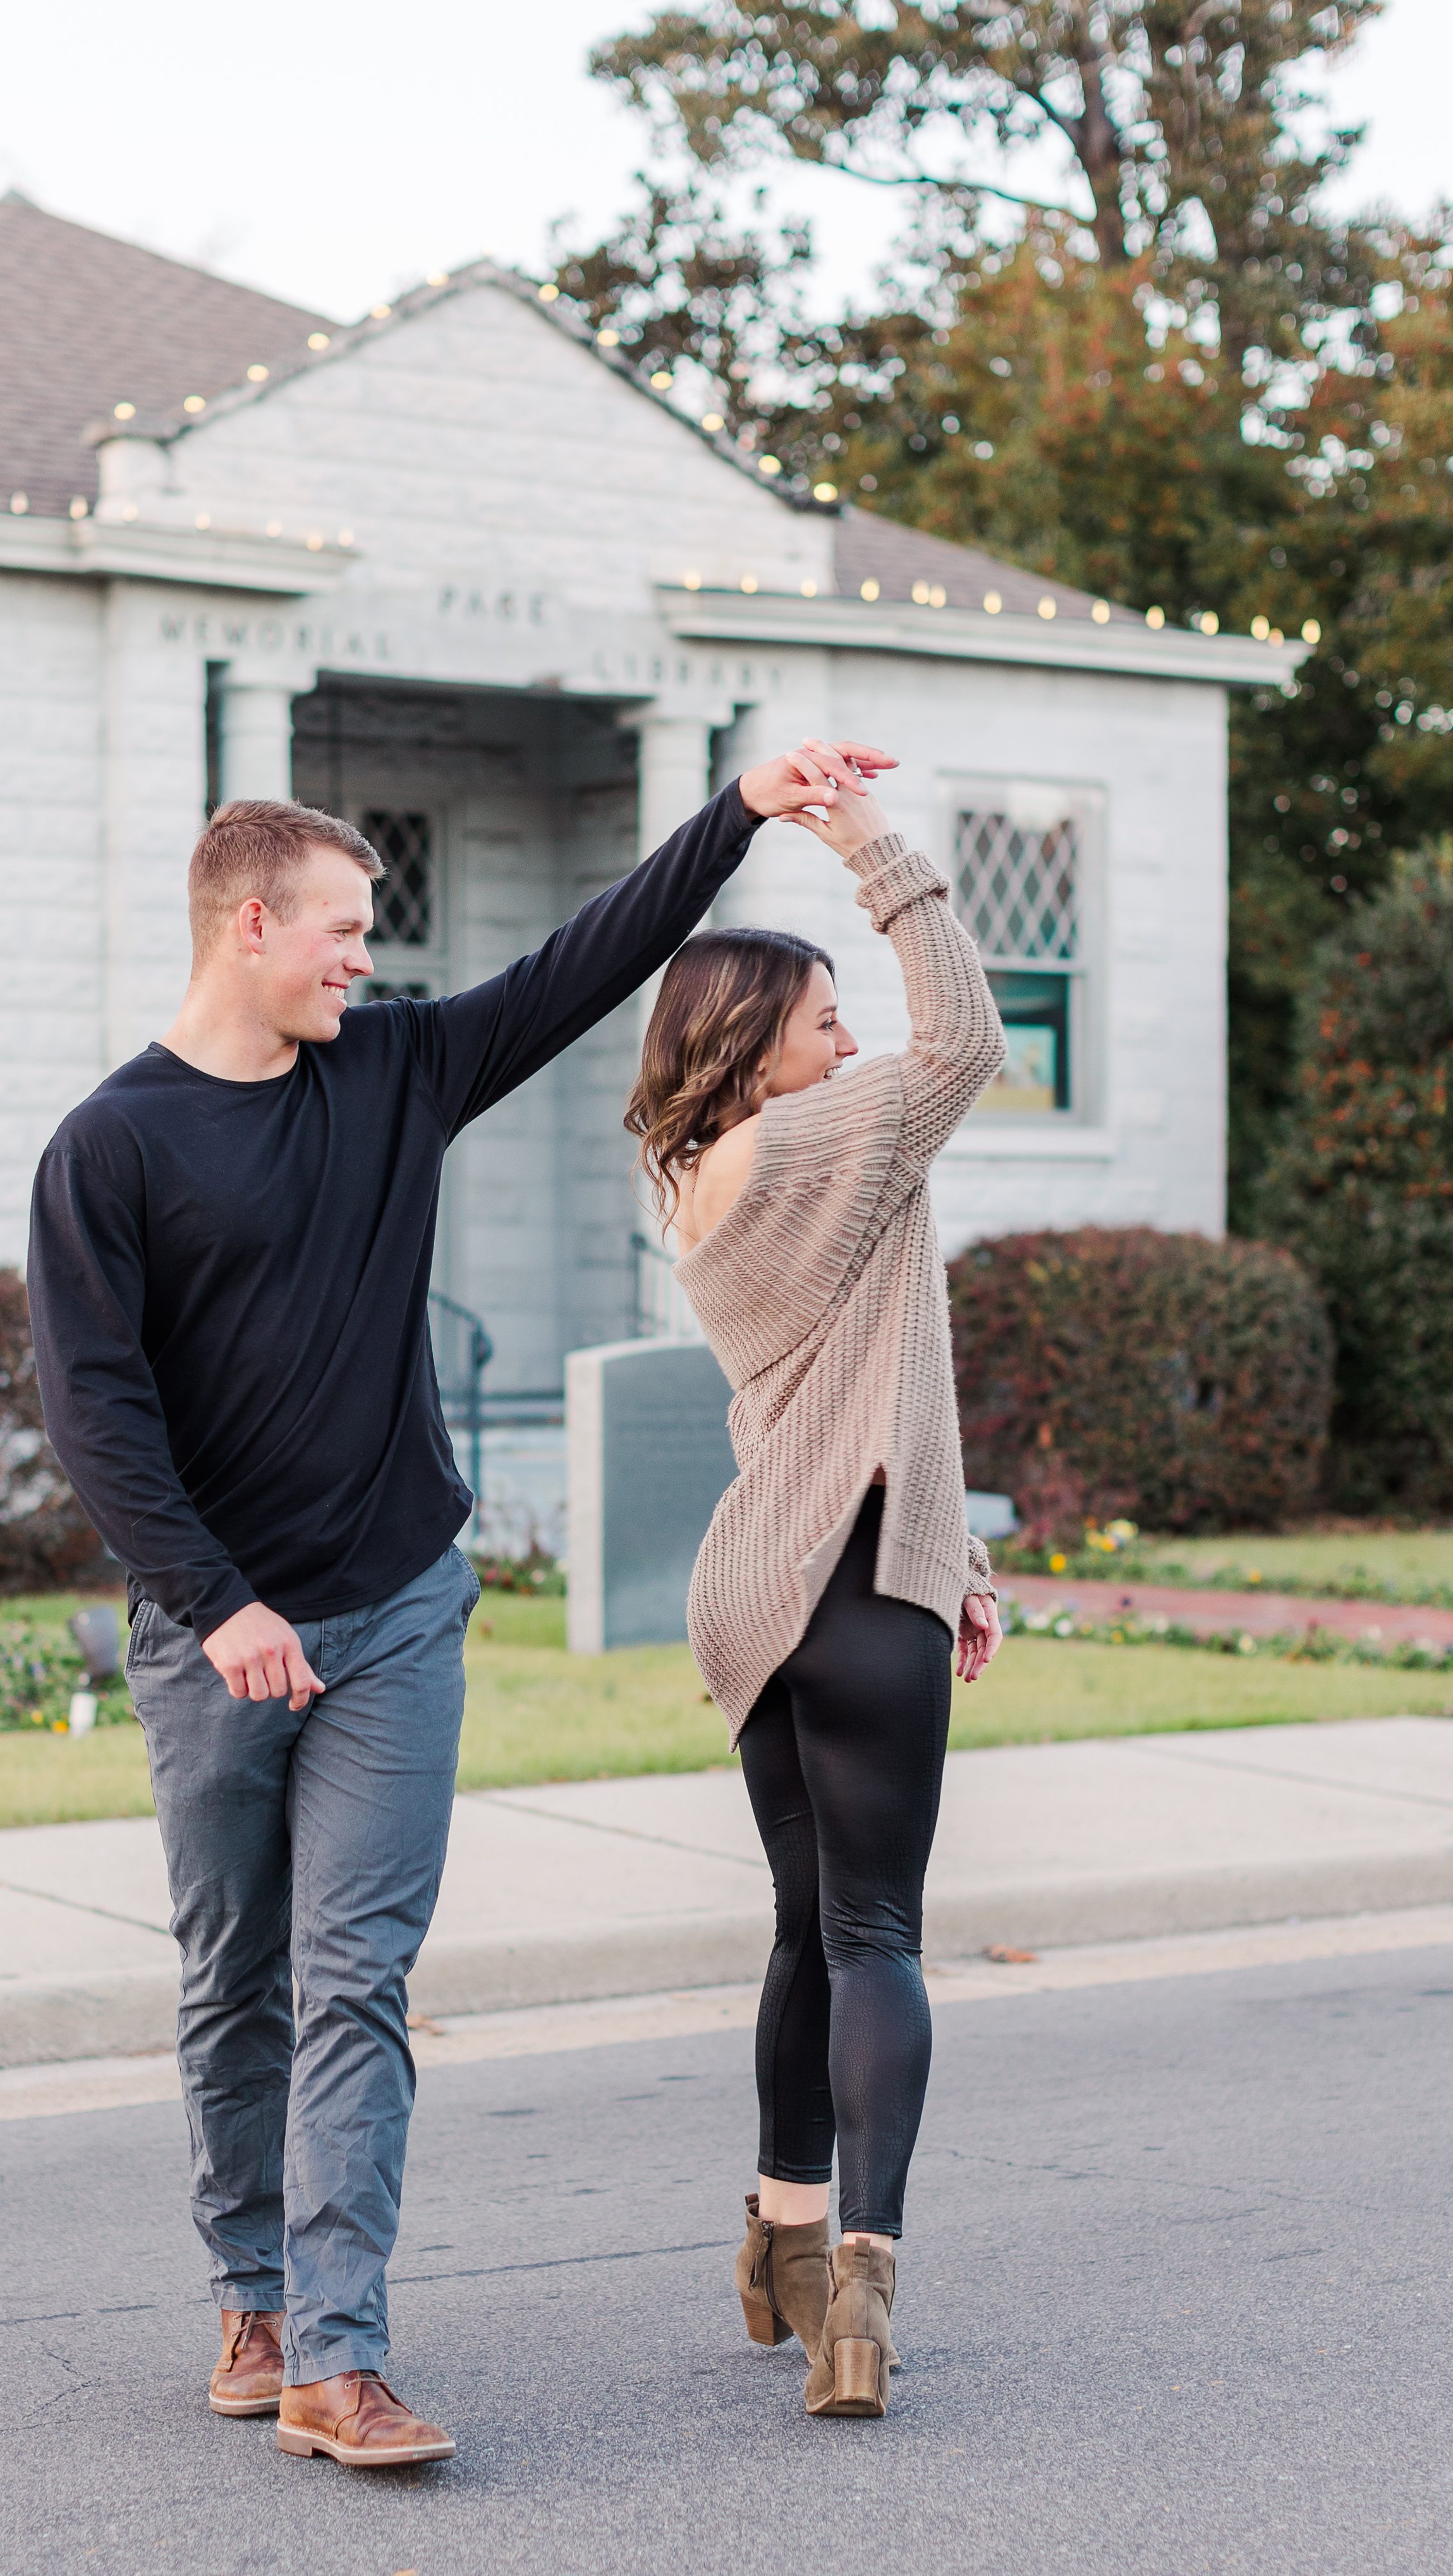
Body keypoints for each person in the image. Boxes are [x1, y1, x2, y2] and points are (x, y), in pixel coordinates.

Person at [26, 746, 849, 2469]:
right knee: (236, 1975)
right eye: (338, 931)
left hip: (397, 1605)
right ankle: (251, 2290)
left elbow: (586, 960)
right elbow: (96, 1413)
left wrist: (744, 810)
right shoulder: (111, 1147)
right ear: (249, 926)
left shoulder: (396, 1072)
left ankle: (337, 2353)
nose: (362, 962)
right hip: (217, 1638)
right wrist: (218, 1599)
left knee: (355, 1978)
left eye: (371, 937)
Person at [624, 740, 1007, 2422]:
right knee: (879, 1934)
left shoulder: (702, 1180)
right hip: (864, 1591)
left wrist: (966, 1544)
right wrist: (863, 838)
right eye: (822, 1017)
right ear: (758, 1042)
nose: (851, 1043)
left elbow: (865, 1374)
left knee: (799, 1926)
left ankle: (778, 2231)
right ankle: (863, 2280)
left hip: (757, 1587)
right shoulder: (831, 1136)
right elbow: (971, 1034)